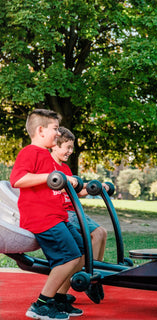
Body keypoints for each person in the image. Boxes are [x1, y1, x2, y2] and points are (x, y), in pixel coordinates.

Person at [10, 109, 84, 319]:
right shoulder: (30, 152)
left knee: (81, 252)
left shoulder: (49, 157)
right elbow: (18, 179)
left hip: (57, 216)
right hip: (42, 218)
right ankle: (41, 304)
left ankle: (59, 299)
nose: (59, 134)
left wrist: (74, 183)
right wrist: (50, 176)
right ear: (40, 130)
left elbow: (55, 183)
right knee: (69, 257)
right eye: (55, 129)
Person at [50, 127, 108, 304]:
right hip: (63, 213)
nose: (70, 151)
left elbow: (75, 192)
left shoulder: (65, 168)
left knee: (102, 233)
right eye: (67, 147)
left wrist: (94, 187)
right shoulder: (49, 168)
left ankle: (91, 274)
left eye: (71, 148)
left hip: (73, 210)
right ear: (54, 145)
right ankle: (89, 276)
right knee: (95, 235)